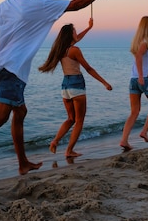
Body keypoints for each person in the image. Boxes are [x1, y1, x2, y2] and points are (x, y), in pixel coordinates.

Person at [0, 0, 114, 189]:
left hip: (2, 68)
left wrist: (7, 54)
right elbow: (76, 5)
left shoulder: (4, 5)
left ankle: (22, 163)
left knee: (20, 112)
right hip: (12, 70)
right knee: (1, 115)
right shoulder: (39, 4)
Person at [38, 18, 112, 157]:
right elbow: (88, 69)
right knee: (79, 121)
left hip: (65, 87)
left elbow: (77, 39)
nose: (76, 33)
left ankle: (55, 141)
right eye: (74, 31)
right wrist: (104, 82)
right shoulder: (75, 50)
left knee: (70, 119)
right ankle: (69, 151)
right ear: (70, 34)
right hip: (76, 86)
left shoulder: (61, 50)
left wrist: (89, 27)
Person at [119, 16, 148, 151]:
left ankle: (124, 140)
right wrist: (142, 77)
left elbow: (138, 56)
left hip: (133, 80)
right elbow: (138, 58)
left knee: (134, 112)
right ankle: (144, 131)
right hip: (146, 78)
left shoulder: (138, 42)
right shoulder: (146, 42)